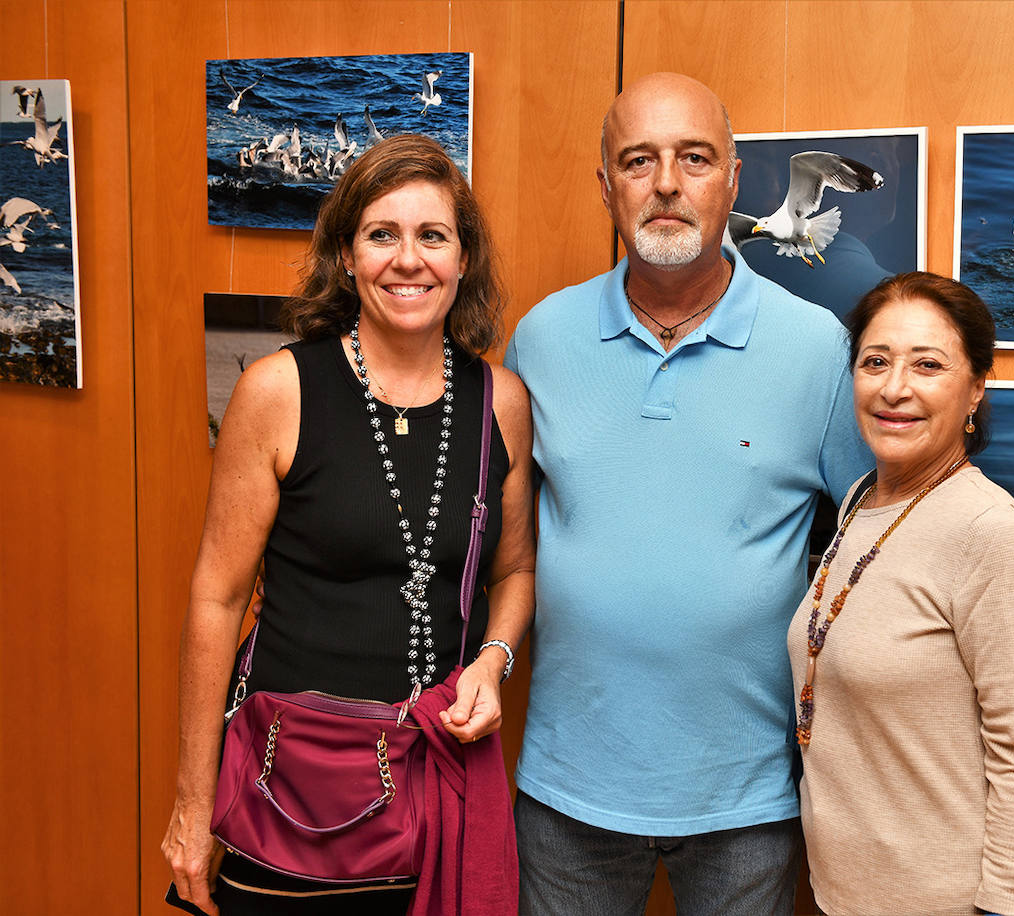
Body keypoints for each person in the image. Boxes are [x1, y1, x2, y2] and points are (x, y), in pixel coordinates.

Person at [503, 72, 872, 914]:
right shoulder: (543, 338)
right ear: (607, 187)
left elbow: (876, 542)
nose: (667, 183)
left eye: (694, 158)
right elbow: (504, 545)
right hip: (568, 794)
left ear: (734, 180)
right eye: (639, 161)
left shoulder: (817, 348)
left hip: (750, 801)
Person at [161, 134, 534, 915]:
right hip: (293, 790)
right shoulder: (277, 391)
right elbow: (216, 600)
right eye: (381, 235)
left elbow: (515, 570)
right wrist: (193, 809)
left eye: (433, 236)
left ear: (463, 260)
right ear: (347, 256)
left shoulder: (501, 401)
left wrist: (492, 663)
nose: (409, 260)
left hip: (441, 783)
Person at [788, 271, 1014, 915]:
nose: (894, 388)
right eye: (874, 362)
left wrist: (1005, 908)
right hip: (840, 892)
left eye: (928, 365)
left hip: (938, 900)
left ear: (975, 389)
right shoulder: (859, 500)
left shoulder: (990, 534)